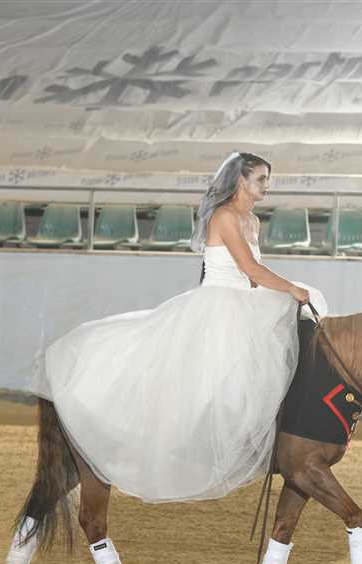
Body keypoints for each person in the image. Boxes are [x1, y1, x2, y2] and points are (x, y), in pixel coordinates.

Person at [39, 151, 323, 503]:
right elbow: (250, 268)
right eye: (261, 179)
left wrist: (278, 294)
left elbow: (251, 278)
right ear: (241, 181)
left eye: (267, 179)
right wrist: (290, 288)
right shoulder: (225, 217)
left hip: (243, 300)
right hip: (219, 303)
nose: (267, 186)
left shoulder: (252, 220)